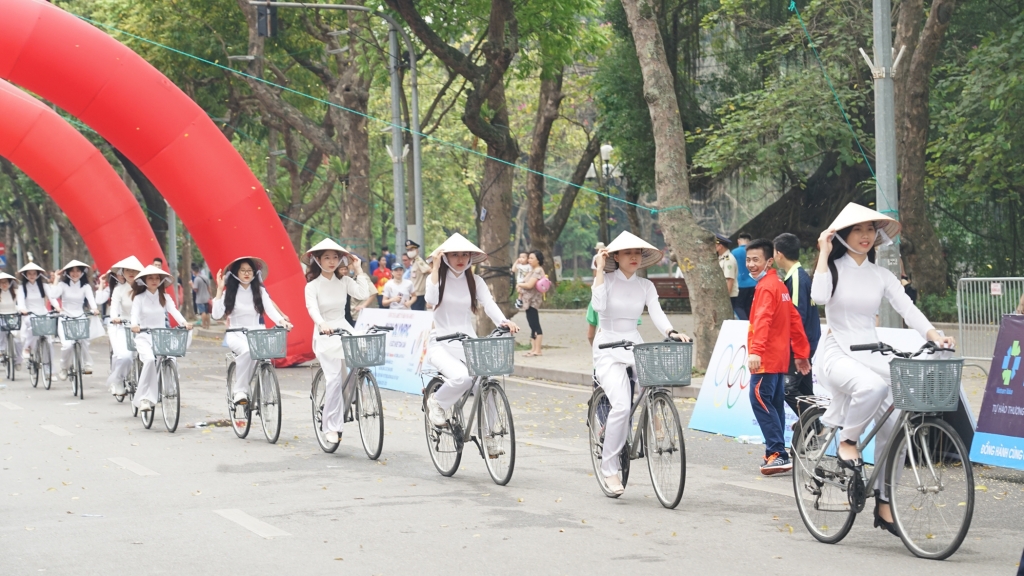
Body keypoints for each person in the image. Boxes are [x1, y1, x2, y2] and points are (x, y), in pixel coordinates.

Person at [811, 202, 954, 535]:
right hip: (837, 352)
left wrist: (935, 335)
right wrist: (823, 251)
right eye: (858, 230)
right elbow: (818, 297)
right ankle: (848, 441)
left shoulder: (881, 275)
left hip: (871, 352)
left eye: (870, 230)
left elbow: (907, 308)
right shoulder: (834, 269)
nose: (865, 236)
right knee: (871, 388)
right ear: (843, 236)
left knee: (895, 426)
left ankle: (884, 501)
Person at [591, 231, 690, 496]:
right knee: (622, 405)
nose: (633, 257)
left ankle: (618, 426)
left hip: (634, 344)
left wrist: (670, 332)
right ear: (616, 257)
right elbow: (598, 306)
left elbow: (656, 312)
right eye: (627, 252)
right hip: (608, 347)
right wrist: (599, 270)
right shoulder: (607, 280)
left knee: (649, 386)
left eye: (637, 252)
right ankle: (609, 469)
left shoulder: (645, 286)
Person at [423, 233, 520, 457]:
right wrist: (435, 268)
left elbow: (489, 304)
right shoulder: (437, 279)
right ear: (445, 257)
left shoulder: (475, 281)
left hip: (468, 344)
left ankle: (490, 438)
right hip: (441, 343)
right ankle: (436, 402)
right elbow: (431, 299)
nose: (460, 258)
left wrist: (504, 322)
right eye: (454, 254)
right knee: (463, 378)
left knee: (488, 386)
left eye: (464, 254)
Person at [745, 238, 811, 475]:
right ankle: (774, 452)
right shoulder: (779, 286)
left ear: (769, 261)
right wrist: (801, 353)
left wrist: (756, 351)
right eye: (748, 260)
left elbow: (762, 320)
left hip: (767, 359)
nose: (751, 264)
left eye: (756, 260)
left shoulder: (767, 287)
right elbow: (795, 320)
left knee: (759, 400)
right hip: (778, 359)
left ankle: (777, 453)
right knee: (773, 404)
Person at [303, 239, 372, 444]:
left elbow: (363, 293)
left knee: (359, 364)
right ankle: (330, 426)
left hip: (344, 328)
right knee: (333, 379)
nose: (332, 261)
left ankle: (346, 403)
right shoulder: (312, 286)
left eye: (335, 257)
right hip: (325, 333)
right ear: (317, 259)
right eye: (327, 257)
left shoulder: (344, 281)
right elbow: (312, 308)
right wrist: (322, 323)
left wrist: (358, 269)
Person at [213, 256, 291, 405]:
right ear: (236, 273)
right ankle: (240, 391)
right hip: (236, 333)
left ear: (255, 273)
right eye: (243, 271)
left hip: (257, 333)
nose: (246, 273)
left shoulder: (259, 291)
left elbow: (269, 309)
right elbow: (216, 315)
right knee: (248, 351)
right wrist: (219, 289)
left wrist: (282, 321)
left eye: (249, 270)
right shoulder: (229, 292)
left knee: (266, 358)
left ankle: (266, 398)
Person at [130, 265, 191, 413]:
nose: (154, 280)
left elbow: (174, 311)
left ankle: (168, 388)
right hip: (144, 336)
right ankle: (144, 398)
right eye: (150, 278)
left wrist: (184, 322)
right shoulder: (139, 298)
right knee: (150, 360)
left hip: (161, 336)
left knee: (172, 358)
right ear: (144, 280)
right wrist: (134, 324)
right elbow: (134, 314)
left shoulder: (165, 297)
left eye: (157, 278)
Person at [773, 233, 821, 420]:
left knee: (787, 389)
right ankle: (811, 436)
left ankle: (816, 425)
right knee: (804, 390)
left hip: (801, 344)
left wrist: (796, 349)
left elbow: (797, 316)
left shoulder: (798, 279)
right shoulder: (797, 277)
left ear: (778, 254)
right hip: (805, 342)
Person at [51, 260, 100, 380]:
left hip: (80, 317)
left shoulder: (86, 286)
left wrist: (94, 309)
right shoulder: (63, 285)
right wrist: (56, 279)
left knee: (84, 341)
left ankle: (87, 364)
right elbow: (53, 295)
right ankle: (64, 367)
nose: (75, 273)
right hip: (65, 318)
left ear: (82, 272)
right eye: (72, 271)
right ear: (67, 272)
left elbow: (91, 300)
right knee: (67, 345)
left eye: (78, 270)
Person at [105, 256, 145, 397]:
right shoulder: (119, 289)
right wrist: (115, 318)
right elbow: (114, 308)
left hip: (142, 327)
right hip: (122, 326)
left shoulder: (144, 289)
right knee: (125, 356)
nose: (131, 272)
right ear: (122, 272)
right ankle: (118, 380)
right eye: (127, 270)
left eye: (134, 270)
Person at [17, 262, 57, 374]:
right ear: (25, 275)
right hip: (29, 314)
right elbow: (21, 302)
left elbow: (52, 298)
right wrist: (22, 310)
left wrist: (57, 307)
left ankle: (49, 368)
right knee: (31, 326)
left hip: (43, 313)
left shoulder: (44, 286)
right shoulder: (22, 287)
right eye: (29, 273)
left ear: (38, 274)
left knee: (49, 342)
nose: (32, 275)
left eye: (34, 273)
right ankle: (27, 347)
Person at [517, 250, 546, 357]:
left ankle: (538, 350)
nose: (529, 260)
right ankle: (533, 348)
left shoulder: (538, 271)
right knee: (531, 324)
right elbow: (524, 281)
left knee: (535, 324)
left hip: (533, 301)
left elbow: (529, 285)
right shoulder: (532, 270)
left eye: (532, 258)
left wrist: (520, 285)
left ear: (538, 260)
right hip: (528, 301)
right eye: (529, 258)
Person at [0, 272, 24, 370]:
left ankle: (18, 361)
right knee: (1, 332)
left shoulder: (16, 292)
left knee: (18, 339)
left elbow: (21, 304)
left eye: (6, 282)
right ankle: (2, 351)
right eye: (1, 282)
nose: (4, 284)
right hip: (1, 317)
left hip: (13, 317)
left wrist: (20, 310)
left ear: (10, 282)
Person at [715, 234, 740, 315]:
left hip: (729, 295)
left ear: (720, 246)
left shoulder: (728, 259)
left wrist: (726, 298)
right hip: (723, 294)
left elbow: (730, 279)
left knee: (727, 318)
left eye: (715, 245)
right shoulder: (721, 258)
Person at [732, 233, 755, 319]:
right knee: (749, 307)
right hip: (754, 283)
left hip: (740, 284)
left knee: (738, 306)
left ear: (738, 241)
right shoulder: (754, 252)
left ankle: (745, 325)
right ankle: (751, 326)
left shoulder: (734, 252)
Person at [406, 239, 431, 311]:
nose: (410, 251)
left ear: (417, 250)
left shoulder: (419, 261)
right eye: (408, 250)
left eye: (411, 249)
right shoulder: (413, 262)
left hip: (419, 294)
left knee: (418, 315)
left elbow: (430, 271)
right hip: (414, 294)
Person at [192, 263, 212, 329]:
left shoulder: (196, 279)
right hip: (207, 297)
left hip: (200, 299)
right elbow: (209, 287)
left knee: (202, 312)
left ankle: (203, 324)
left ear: (194, 271)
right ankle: (208, 325)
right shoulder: (205, 277)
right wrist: (210, 295)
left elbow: (196, 290)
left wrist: (191, 284)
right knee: (207, 312)